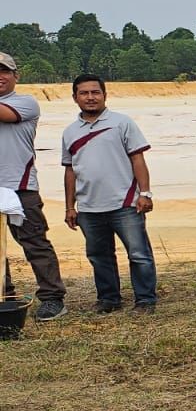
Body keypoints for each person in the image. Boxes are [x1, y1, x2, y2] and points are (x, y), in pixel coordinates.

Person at [60, 75, 157, 314]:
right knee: (99, 256)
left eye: (95, 92)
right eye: (84, 93)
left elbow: (138, 159)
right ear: (75, 98)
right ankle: (108, 299)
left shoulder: (121, 123)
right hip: (89, 207)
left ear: (105, 95)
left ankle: (145, 300)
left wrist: (145, 193)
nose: (90, 97)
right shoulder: (70, 132)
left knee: (139, 254)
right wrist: (70, 207)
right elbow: (70, 170)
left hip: (125, 204)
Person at [0, 51, 66, 320]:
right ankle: (4, 295)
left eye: (4, 71)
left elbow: (5, 115)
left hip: (20, 186)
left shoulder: (26, 103)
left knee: (35, 244)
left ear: (16, 76)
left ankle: (53, 298)